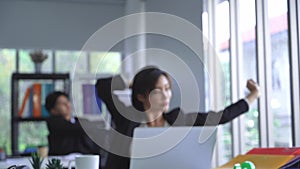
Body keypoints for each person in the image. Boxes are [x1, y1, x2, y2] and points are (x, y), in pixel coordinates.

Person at [95, 66, 260, 169]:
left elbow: (219, 117)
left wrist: (252, 96)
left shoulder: (178, 119)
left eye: (167, 88)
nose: (166, 95)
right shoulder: (127, 119)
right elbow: (102, 86)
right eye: (158, 90)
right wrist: (131, 83)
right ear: (141, 96)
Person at [45, 91, 100, 155]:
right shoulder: (54, 122)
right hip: (63, 159)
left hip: (86, 157)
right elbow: (71, 128)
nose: (68, 105)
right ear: (53, 110)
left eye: (67, 102)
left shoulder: (82, 121)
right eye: (63, 103)